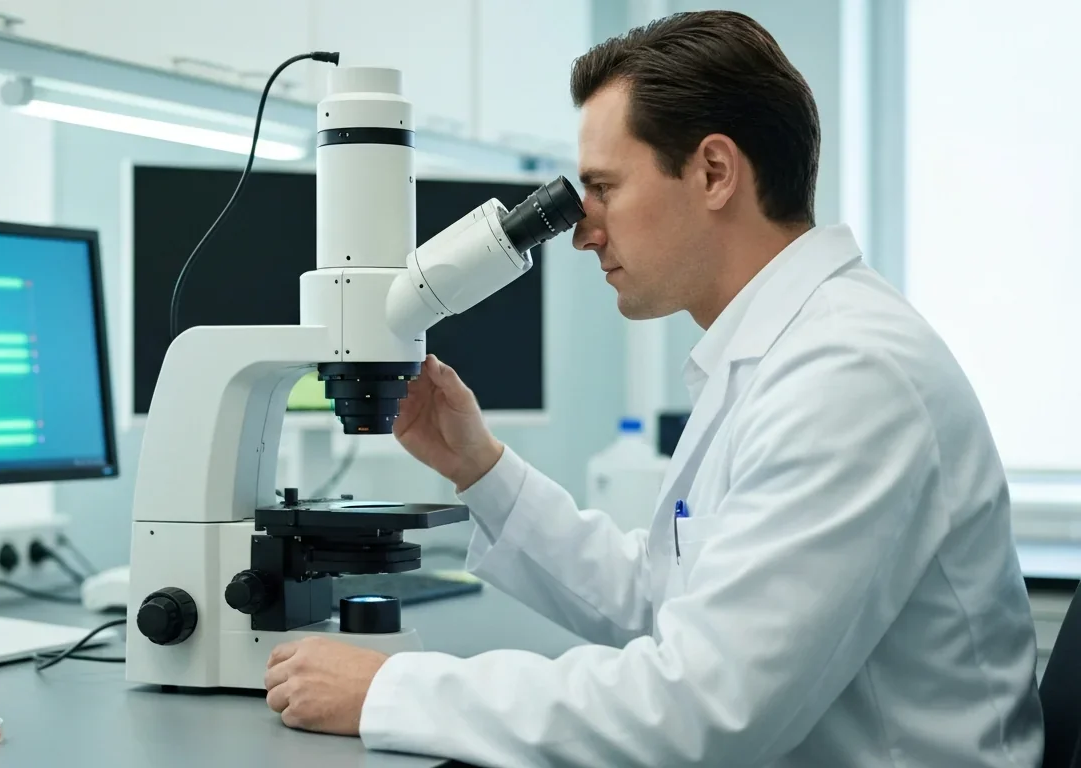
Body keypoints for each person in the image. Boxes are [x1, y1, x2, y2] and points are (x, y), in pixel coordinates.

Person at [263, 10, 1044, 766]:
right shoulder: (782, 352)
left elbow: (702, 711)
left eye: (603, 188)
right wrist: (481, 467)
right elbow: (663, 601)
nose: (581, 229)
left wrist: (393, 690)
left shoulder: (849, 377)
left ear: (712, 172)